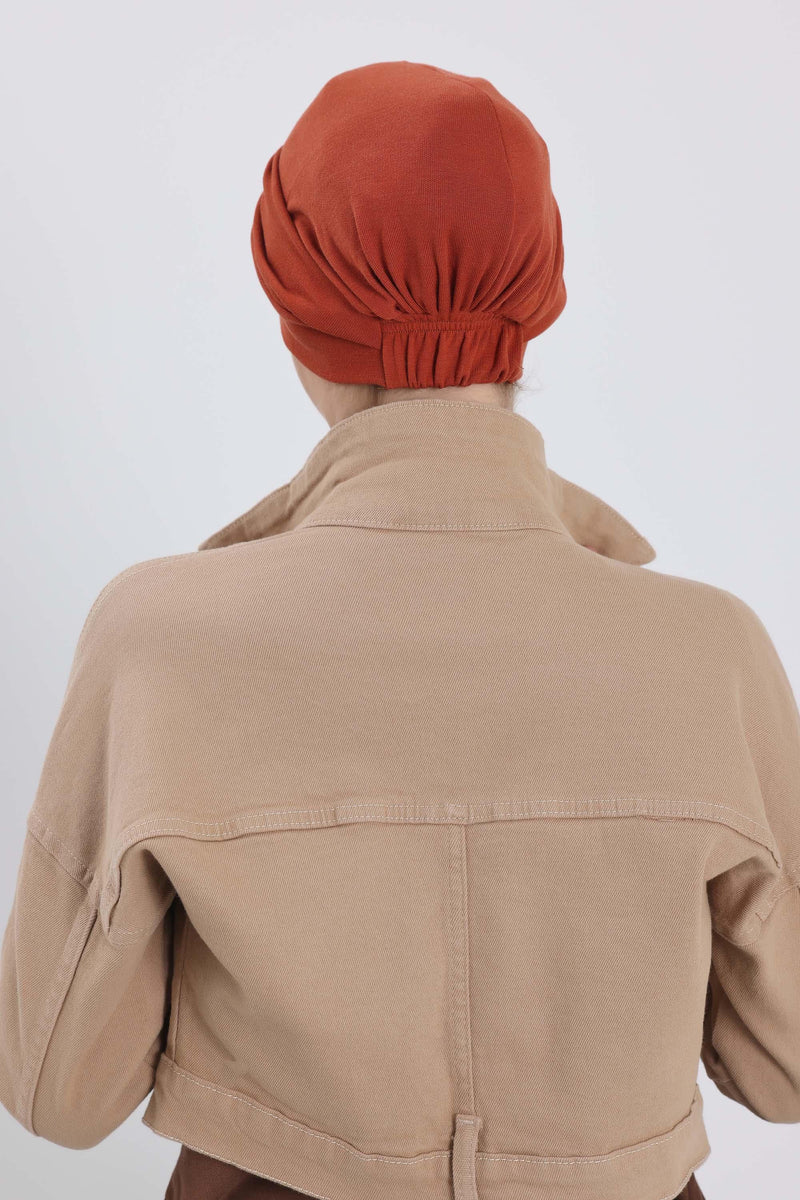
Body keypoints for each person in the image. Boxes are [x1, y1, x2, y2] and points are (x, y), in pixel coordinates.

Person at [1, 60, 798, 1200]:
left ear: (297, 316)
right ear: (535, 303)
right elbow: (784, 1067)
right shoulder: (710, 653)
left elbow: (57, 1092)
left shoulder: (158, 641)